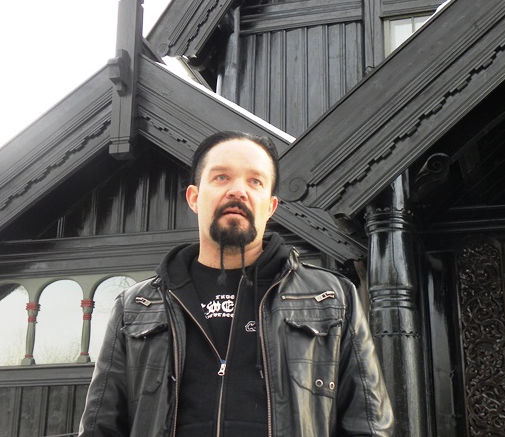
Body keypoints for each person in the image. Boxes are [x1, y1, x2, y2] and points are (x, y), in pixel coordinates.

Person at [78, 131, 394, 436]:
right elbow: (101, 428)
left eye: (255, 181)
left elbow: (368, 424)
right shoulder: (136, 306)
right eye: (221, 177)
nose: (238, 191)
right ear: (194, 197)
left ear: (270, 207)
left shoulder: (333, 298)